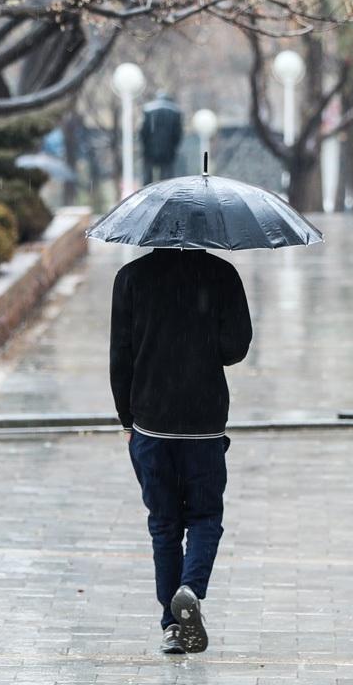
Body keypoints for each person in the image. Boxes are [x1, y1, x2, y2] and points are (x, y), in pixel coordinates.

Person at [109, 248, 252, 654]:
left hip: (151, 423)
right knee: (205, 516)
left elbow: (120, 355)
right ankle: (189, 588)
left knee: (164, 525)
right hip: (204, 424)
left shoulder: (131, 277)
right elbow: (234, 348)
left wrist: (126, 419)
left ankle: (173, 626)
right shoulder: (222, 274)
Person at [139, 93, 184, 183]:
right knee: (167, 178)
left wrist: (144, 146)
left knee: (147, 176)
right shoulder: (175, 111)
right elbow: (178, 133)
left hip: (150, 148)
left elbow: (143, 131)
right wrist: (174, 147)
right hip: (168, 149)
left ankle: (146, 192)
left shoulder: (148, 109)